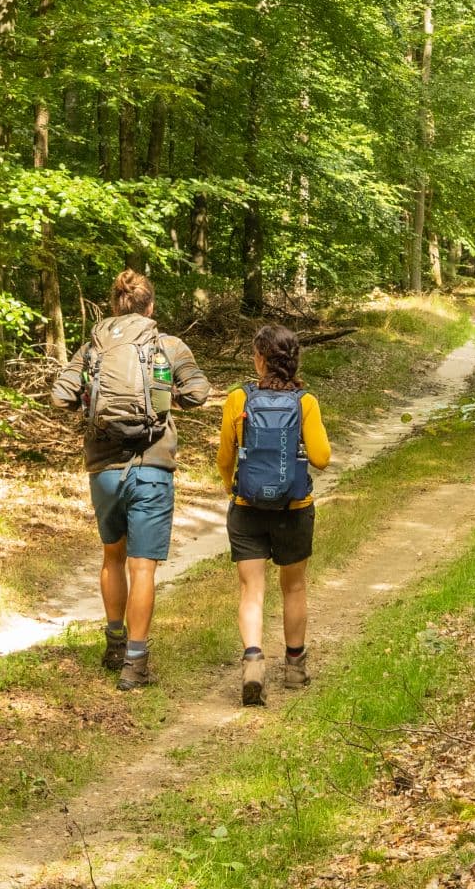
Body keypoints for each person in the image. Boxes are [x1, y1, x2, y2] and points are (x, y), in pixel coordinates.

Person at [51, 269, 213, 689]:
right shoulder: (169, 346)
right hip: (153, 466)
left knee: (112, 557)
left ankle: (114, 642)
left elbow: (60, 396)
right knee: (144, 567)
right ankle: (136, 665)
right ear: (151, 306)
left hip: (103, 467)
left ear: (114, 304)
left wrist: (93, 398)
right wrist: (162, 397)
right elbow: (199, 393)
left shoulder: (91, 349)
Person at [217, 323, 330, 705]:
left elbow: (225, 457)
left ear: (261, 359)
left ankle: (253, 661)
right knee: (294, 586)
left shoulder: (237, 399)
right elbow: (322, 458)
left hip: (247, 508)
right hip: (293, 508)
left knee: (252, 589)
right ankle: (295, 667)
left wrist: (230, 486)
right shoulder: (305, 402)